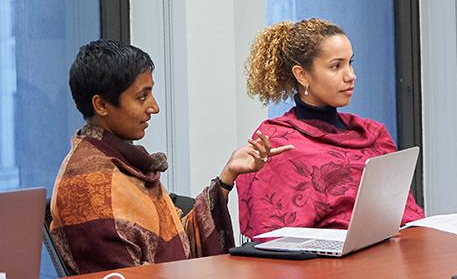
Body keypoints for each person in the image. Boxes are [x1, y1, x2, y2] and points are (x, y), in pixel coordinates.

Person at [50, 40, 292, 274]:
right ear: (101, 105)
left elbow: (179, 247)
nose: (154, 107)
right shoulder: (91, 186)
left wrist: (227, 176)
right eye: (141, 97)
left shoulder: (120, 164)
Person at [237, 18, 424, 238]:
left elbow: (402, 214)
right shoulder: (277, 141)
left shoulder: (373, 134)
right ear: (302, 75)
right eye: (336, 66)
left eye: (350, 63)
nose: (350, 76)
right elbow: (273, 235)